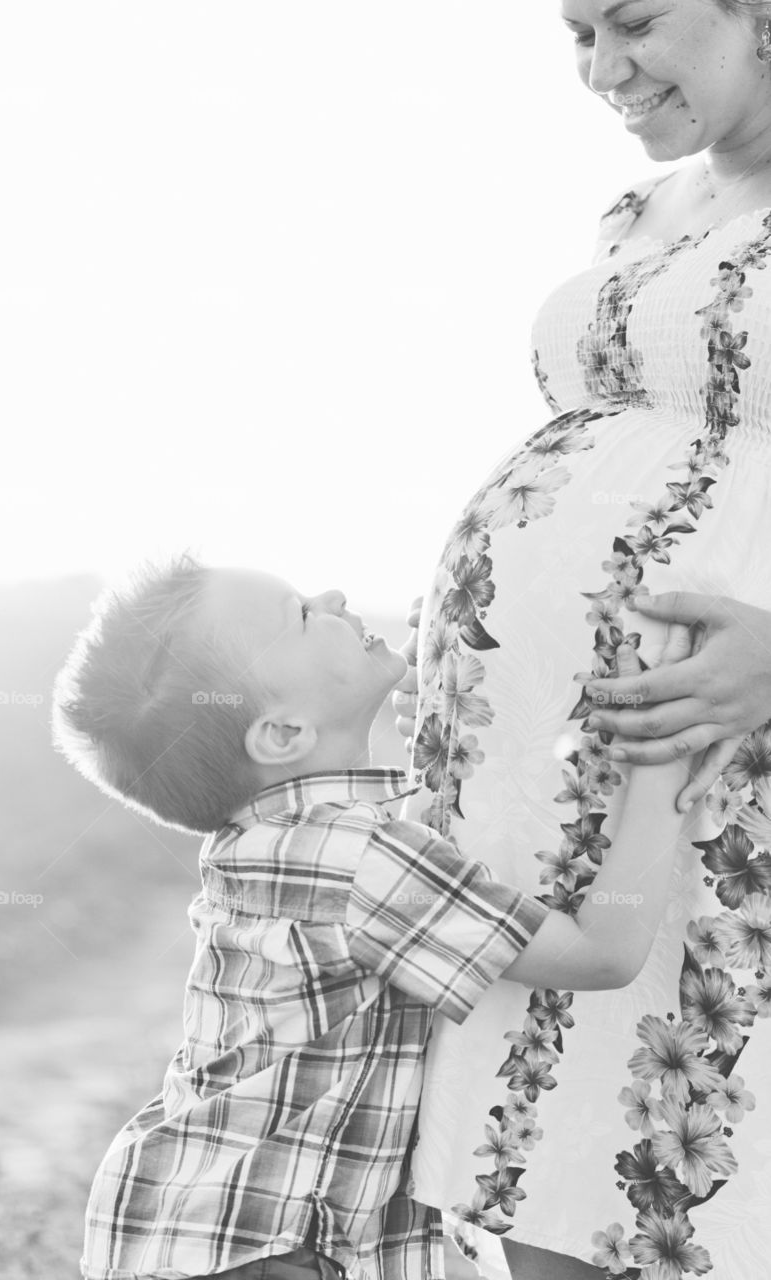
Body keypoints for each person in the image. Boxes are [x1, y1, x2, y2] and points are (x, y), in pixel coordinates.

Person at [393, 2, 771, 1278]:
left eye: (636, 22)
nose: (603, 70)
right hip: (527, 780)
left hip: (719, 757)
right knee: (546, 1182)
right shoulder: (636, 212)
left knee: (699, 1197)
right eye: (574, 35)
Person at [53, 554, 698, 1280]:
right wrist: (663, 756)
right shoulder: (355, 856)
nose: (330, 595)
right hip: (263, 1247)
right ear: (282, 734)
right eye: (300, 613)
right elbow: (598, 954)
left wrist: (444, 713)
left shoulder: (269, 839)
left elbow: (422, 856)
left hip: (198, 1224)